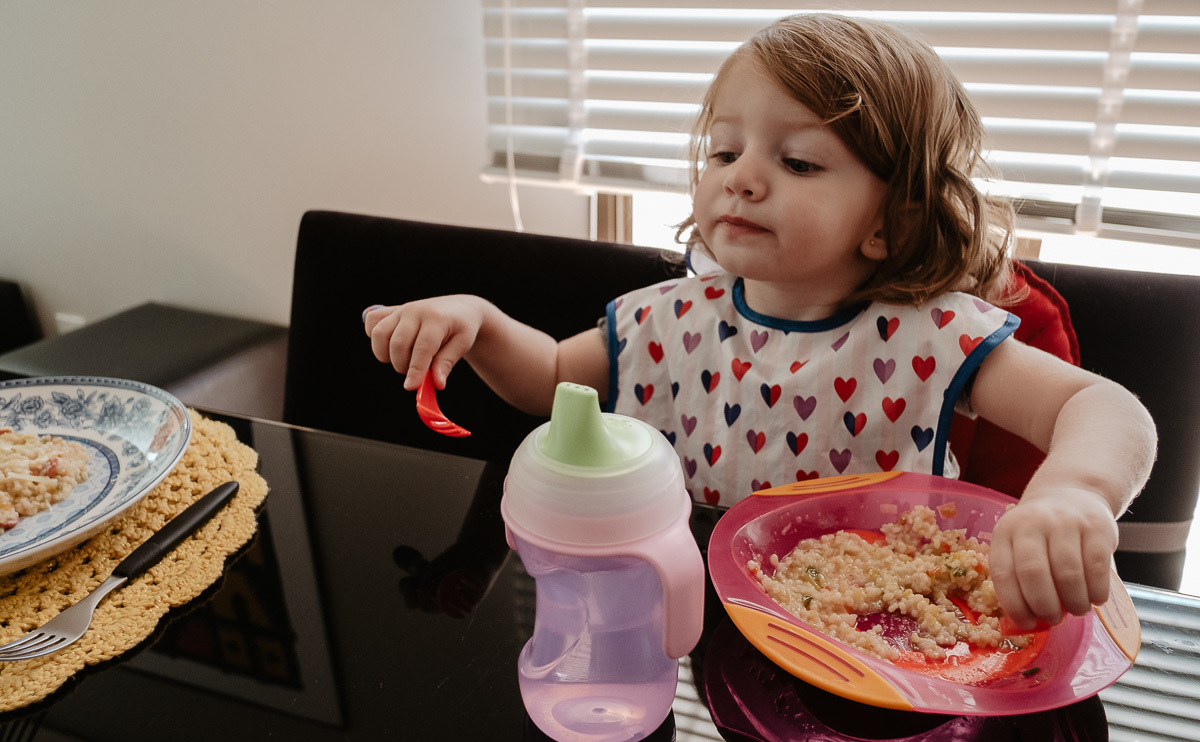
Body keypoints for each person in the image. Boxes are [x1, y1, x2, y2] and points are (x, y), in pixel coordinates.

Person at [363, 14, 1156, 633]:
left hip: (867, 638)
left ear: (890, 219)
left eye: (799, 161)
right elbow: (552, 385)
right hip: (684, 617)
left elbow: (1105, 409)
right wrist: (484, 324)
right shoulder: (665, 317)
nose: (741, 178)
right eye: (722, 152)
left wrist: (1076, 493)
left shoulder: (932, 339)